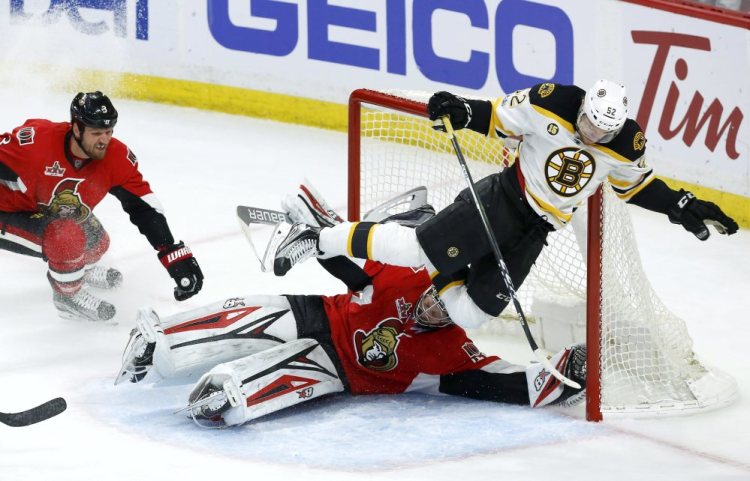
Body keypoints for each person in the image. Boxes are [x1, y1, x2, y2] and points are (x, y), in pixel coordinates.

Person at [271, 79, 739, 329]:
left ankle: (434, 241)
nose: (591, 135)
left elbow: (636, 186)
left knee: (471, 314)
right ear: (583, 109)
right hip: (503, 200)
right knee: (414, 250)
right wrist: (461, 110)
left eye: (602, 132)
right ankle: (318, 235)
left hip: (537, 231)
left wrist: (681, 204)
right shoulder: (551, 101)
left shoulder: (627, 145)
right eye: (588, 125)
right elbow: (494, 115)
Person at [114, 183, 586, 427]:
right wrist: (318, 240)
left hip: (340, 368)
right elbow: (352, 272)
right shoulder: (409, 271)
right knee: (249, 312)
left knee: (244, 387)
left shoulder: (453, 351)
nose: (431, 311)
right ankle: (157, 339)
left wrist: (566, 376)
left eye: (444, 311)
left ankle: (226, 395)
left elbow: (500, 383)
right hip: (325, 312)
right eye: (433, 300)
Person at [0, 91, 203, 322]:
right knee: (68, 238)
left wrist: (172, 254)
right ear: (76, 129)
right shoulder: (36, 143)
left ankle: (77, 271)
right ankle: (68, 297)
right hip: (6, 212)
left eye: (108, 132)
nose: (104, 140)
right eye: (96, 133)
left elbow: (144, 208)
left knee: (97, 241)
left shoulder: (116, 158)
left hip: (43, 211)